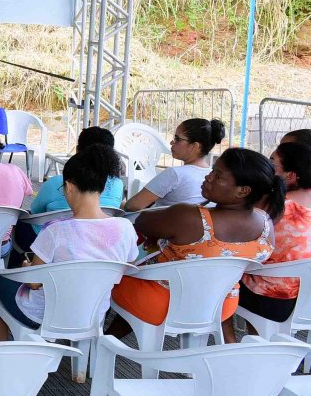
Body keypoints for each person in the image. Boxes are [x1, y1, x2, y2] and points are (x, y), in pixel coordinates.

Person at [110, 147, 280, 337]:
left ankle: (107, 339)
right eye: (212, 171)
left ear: (243, 191)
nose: (208, 177)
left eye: (218, 176)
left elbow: (142, 222)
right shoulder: (266, 223)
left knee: (113, 274)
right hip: (219, 304)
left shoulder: (190, 217)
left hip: (162, 302)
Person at [0, 144, 137, 341]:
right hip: (93, 314)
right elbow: (127, 268)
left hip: (44, 314)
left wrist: (27, 266)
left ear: (68, 186)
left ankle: (8, 359)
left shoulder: (55, 231)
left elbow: (34, 283)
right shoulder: (125, 228)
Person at [239, 142, 311, 326]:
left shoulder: (272, 206)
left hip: (272, 299)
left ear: (290, 175)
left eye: (272, 164)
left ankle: (229, 344)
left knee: (217, 278)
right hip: (306, 300)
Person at [124, 118, 226, 211]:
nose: (171, 142)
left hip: (157, 227)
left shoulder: (175, 174)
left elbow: (133, 206)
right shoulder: (211, 177)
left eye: (177, 139)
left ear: (194, 146)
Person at [31, 126, 125, 213]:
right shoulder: (117, 184)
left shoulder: (55, 183)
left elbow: (35, 211)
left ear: (77, 150)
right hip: (104, 230)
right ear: (111, 155)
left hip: (50, 229)